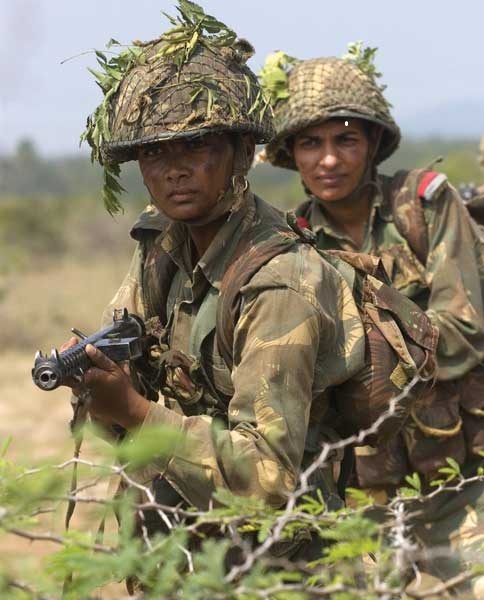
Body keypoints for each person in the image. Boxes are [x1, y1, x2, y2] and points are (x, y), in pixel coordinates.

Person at [63, 4, 368, 561]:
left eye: (196, 145)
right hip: (183, 549)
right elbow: (134, 398)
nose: (173, 169)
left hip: (275, 567)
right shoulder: (164, 245)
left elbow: (268, 482)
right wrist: (100, 383)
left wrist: (130, 408)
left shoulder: (280, 282)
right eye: (154, 151)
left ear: (241, 153)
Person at [263, 51, 484, 592]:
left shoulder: (424, 205)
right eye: (311, 143)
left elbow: (464, 330)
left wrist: (370, 343)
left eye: (346, 140)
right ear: (292, 154)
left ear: (373, 145)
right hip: (361, 497)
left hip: (459, 485)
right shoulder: (292, 245)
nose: (329, 160)